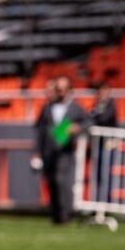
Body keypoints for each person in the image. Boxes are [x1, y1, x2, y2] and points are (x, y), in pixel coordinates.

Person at [32, 76, 89, 225]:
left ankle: (65, 214)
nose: (60, 93)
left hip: (65, 151)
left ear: (69, 90)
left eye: (63, 89)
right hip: (49, 152)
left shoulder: (75, 108)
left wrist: (77, 128)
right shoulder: (48, 107)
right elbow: (39, 130)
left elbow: (88, 121)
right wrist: (36, 152)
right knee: (51, 182)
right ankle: (56, 214)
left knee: (61, 180)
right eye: (58, 89)